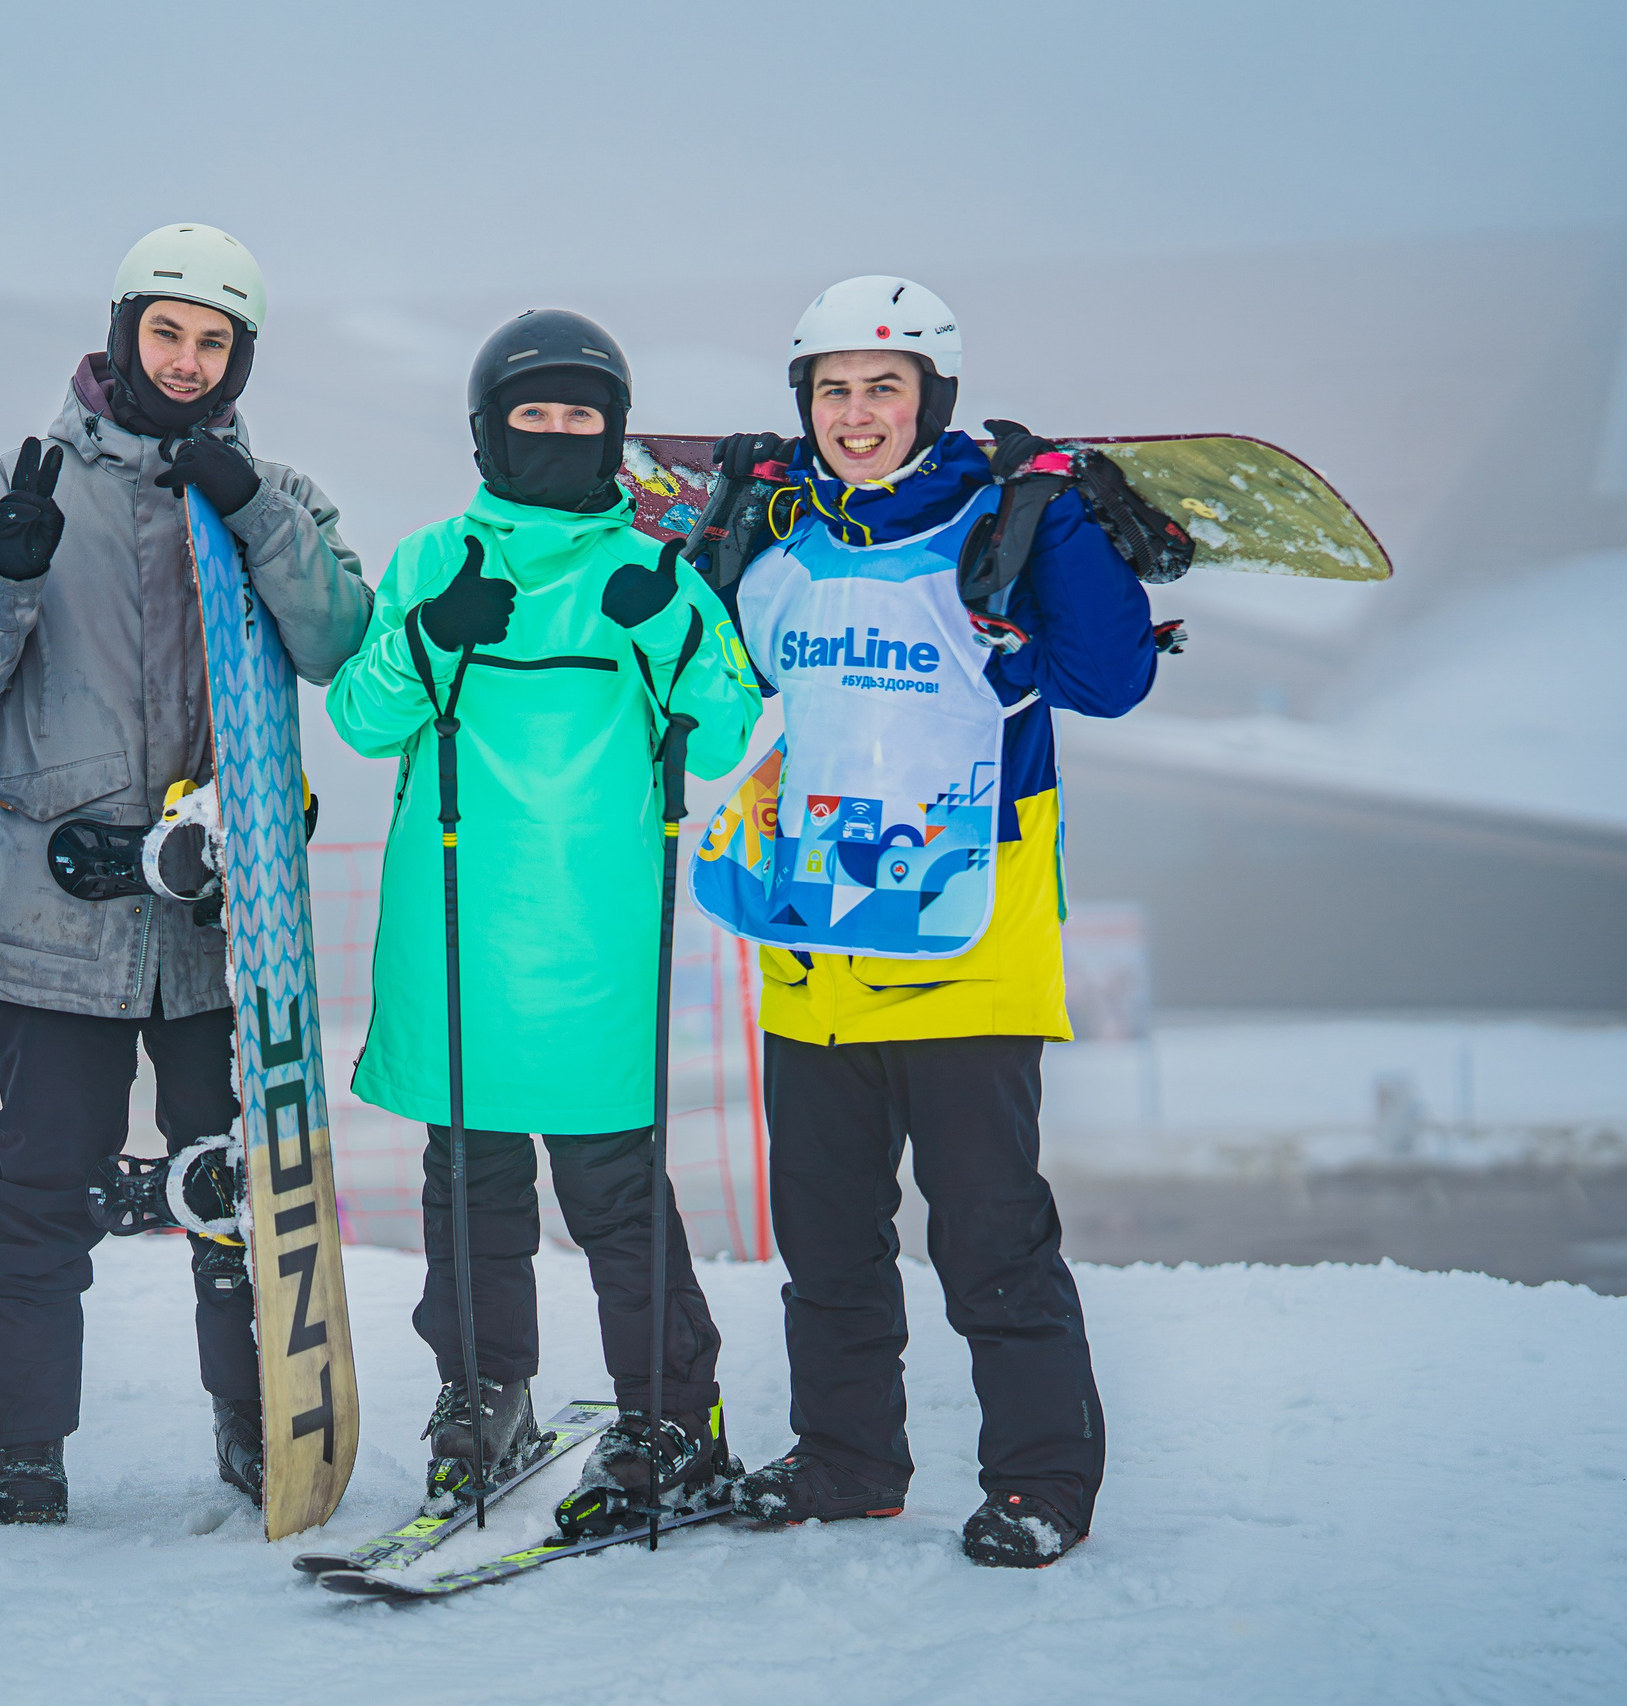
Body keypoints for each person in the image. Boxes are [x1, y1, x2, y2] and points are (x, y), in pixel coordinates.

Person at [0, 224, 371, 1524]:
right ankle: (13, 1443)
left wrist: (252, 507)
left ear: (239, 357)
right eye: (164, 332)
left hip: (229, 928)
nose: (184, 359)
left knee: (239, 1180)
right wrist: (11, 569)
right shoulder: (30, 478)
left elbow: (339, 639)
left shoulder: (274, 489)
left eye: (211, 341)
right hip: (55, 914)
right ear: (123, 333)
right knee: (41, 1180)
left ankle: (261, 1419)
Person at [705, 275, 1158, 1566]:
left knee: (990, 1237)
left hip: (967, 948)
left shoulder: (997, 530)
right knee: (826, 1244)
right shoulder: (783, 544)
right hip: (814, 951)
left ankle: (1041, 1480)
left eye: (884, 388)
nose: (856, 414)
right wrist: (706, 540)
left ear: (932, 400)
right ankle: (847, 1460)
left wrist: (1060, 515)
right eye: (833, 390)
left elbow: (1110, 680)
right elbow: (724, 689)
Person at [325, 310, 761, 1535]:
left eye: (581, 416)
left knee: (614, 1186)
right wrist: (426, 634)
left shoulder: (656, 575)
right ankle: (483, 1392)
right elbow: (360, 718)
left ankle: (672, 1414)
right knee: (469, 1182)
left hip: (594, 934)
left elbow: (724, 735)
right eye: (535, 414)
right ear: (489, 431)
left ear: (613, 435)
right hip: (459, 925)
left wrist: (669, 624)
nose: (558, 434)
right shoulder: (432, 560)